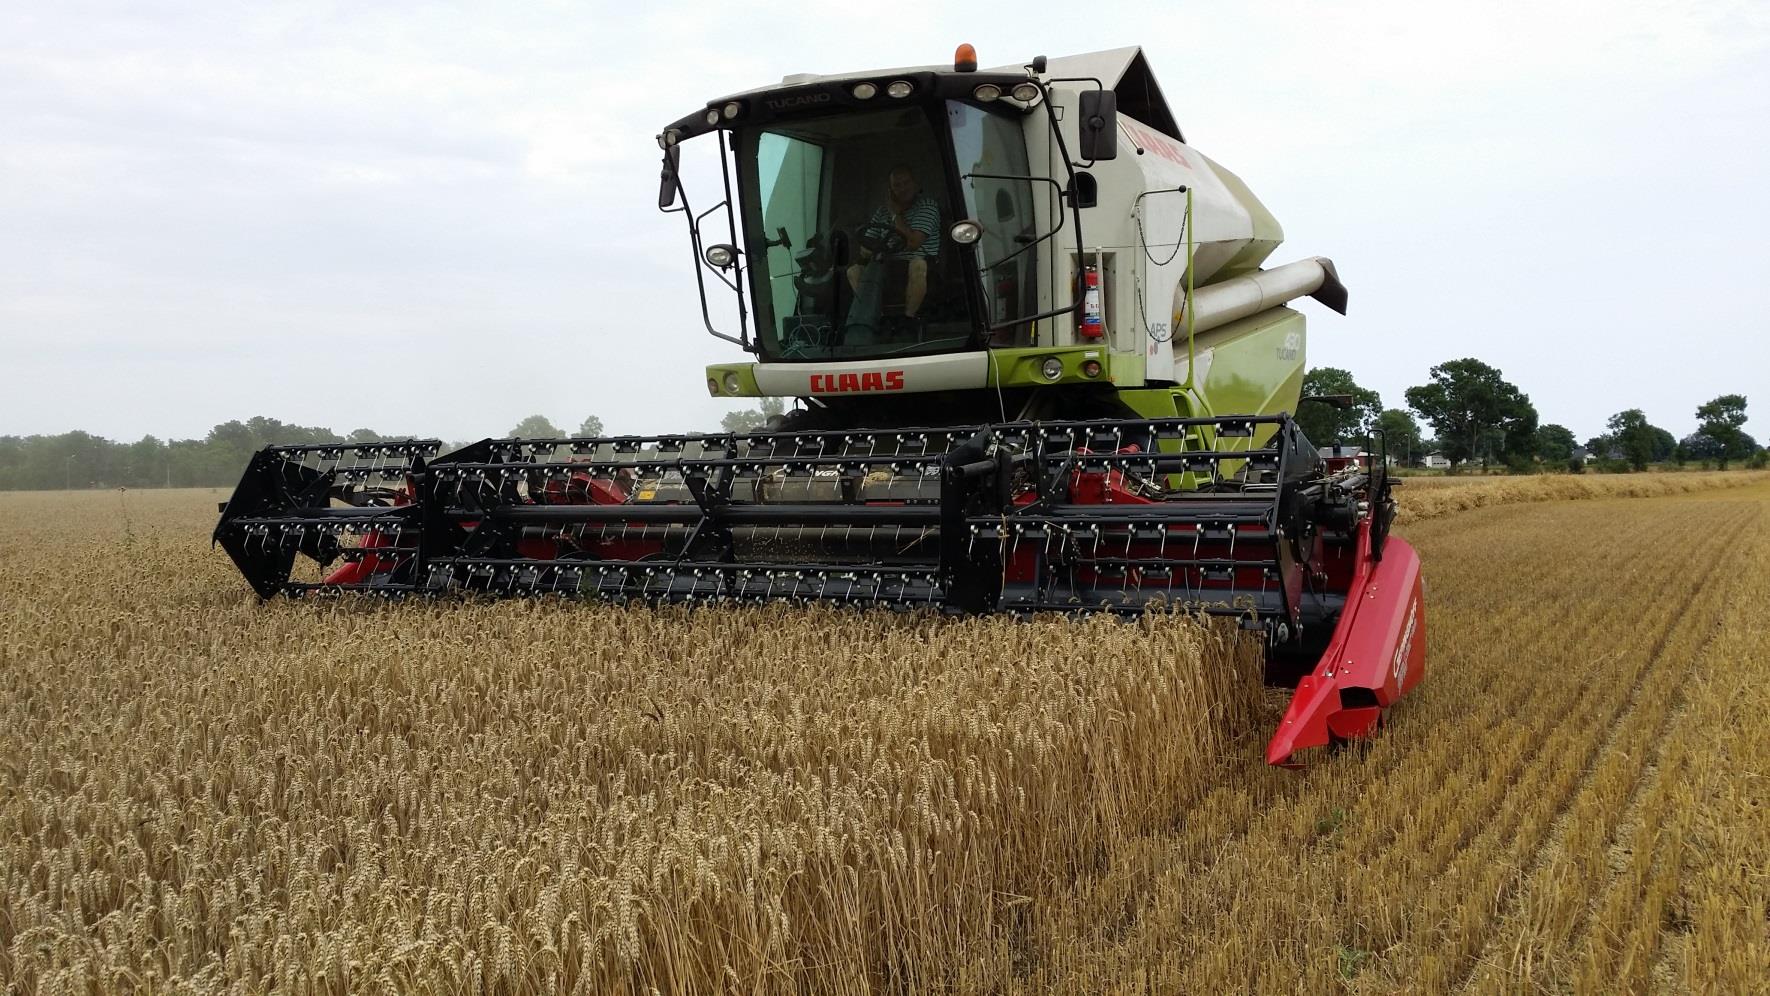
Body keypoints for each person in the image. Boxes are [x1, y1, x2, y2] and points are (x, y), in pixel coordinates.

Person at [844, 165, 940, 336]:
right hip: (887, 264)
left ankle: (908, 321)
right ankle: (874, 319)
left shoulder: (927, 206)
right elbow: (866, 245)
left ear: (915, 184)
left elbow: (913, 242)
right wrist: (870, 248)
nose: (902, 188)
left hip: (919, 263)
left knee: (918, 264)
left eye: (906, 183)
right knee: (854, 271)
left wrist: (896, 215)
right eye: (897, 185)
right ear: (890, 190)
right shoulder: (882, 212)